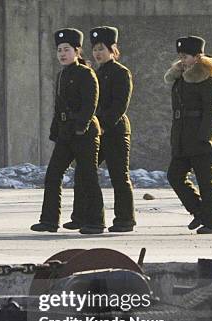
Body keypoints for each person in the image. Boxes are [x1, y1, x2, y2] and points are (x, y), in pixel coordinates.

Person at [31, 28, 105, 234]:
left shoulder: (86, 73)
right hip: (66, 133)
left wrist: (81, 126)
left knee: (88, 176)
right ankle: (49, 220)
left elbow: (91, 104)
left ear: (77, 51)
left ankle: (96, 221)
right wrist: (55, 131)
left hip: (85, 133)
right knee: (53, 175)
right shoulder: (62, 75)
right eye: (59, 50)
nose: (62, 54)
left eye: (66, 49)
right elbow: (58, 107)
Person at [69, 26, 135, 232]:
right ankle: (82, 217)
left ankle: (125, 219)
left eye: (101, 49)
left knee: (118, 175)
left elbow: (119, 106)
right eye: (95, 49)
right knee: (84, 172)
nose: (97, 53)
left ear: (112, 49)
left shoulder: (121, 72)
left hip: (115, 131)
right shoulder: (94, 73)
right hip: (95, 132)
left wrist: (102, 126)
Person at [164, 35, 212, 234]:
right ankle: (199, 211)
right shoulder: (180, 76)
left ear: (198, 56)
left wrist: (205, 137)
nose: (182, 60)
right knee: (174, 175)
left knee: (206, 180)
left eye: (186, 56)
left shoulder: (208, 77)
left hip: (201, 137)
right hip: (182, 138)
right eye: (180, 55)